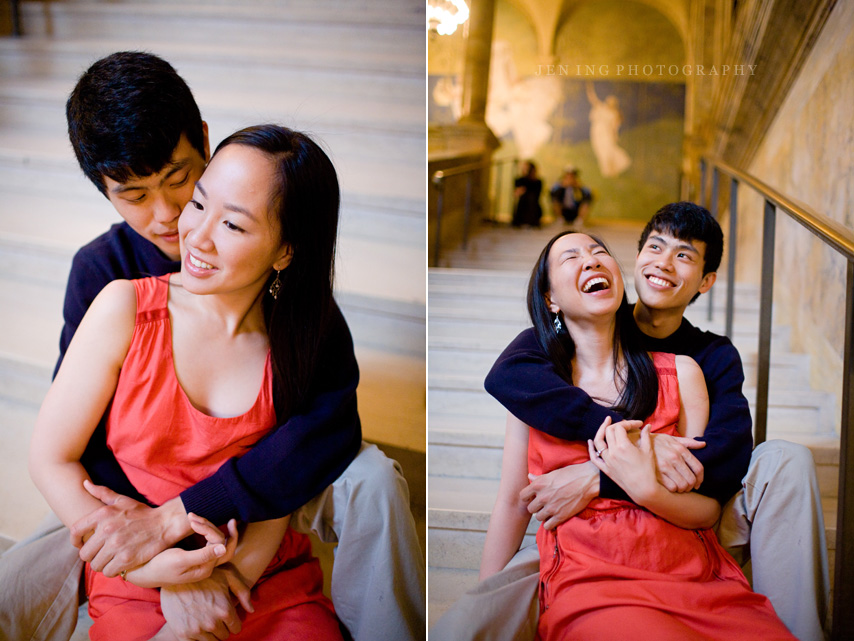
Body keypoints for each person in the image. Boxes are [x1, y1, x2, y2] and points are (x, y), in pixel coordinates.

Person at [0, 52, 424, 641]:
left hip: (249, 492)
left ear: (204, 142)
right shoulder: (107, 278)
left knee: (375, 479)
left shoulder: (286, 288)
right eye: (133, 195)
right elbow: (85, 446)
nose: (172, 216)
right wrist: (166, 559)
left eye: (181, 182)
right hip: (136, 487)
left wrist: (204, 547)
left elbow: (314, 433)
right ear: (103, 190)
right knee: (20, 578)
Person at [431, 202, 828, 641]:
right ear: (636, 258)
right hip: (586, 545)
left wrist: (603, 474)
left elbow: (722, 463)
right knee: (472, 621)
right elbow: (507, 383)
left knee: (786, 459)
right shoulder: (559, 346)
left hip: (676, 520)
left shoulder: (703, 360)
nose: (664, 262)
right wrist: (640, 440)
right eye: (655, 246)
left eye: (684, 255)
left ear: (707, 280)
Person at [30, 123, 350, 640]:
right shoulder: (123, 305)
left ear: (285, 251)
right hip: (136, 568)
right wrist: (147, 570)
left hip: (258, 573)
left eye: (234, 226)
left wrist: (226, 579)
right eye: (198, 205)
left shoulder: (296, 341)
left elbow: (281, 484)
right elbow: (52, 456)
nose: (195, 235)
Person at [585, 81, 631, 178]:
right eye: (609, 101)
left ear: (614, 104)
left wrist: (615, 135)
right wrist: (589, 89)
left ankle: (613, 169)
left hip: (606, 133)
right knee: (600, 149)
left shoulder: (614, 114)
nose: (610, 103)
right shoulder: (602, 107)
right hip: (597, 132)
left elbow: (614, 127)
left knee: (608, 150)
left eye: (612, 102)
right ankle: (609, 170)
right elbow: (593, 99)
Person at [511, 161, 543, 228]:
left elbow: (537, 194)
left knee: (530, 197)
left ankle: (530, 220)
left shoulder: (538, 182)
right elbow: (516, 193)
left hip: (533, 206)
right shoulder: (520, 180)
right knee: (524, 197)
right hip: (522, 204)